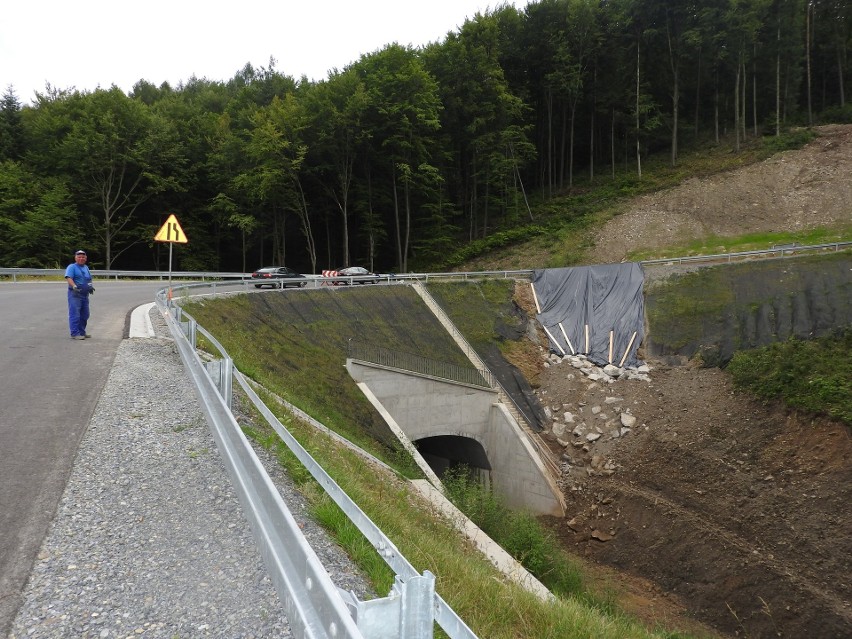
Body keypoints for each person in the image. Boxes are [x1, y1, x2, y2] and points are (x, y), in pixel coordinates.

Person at [64, 249, 95, 340]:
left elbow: (88, 279)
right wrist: (74, 286)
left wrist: (90, 287)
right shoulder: (72, 267)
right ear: (76, 258)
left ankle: (82, 332)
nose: (81, 258)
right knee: (75, 314)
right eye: (79, 257)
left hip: (84, 295)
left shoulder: (86, 267)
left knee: (85, 314)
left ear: (85, 258)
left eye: (83, 257)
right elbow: (69, 277)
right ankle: (75, 333)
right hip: (75, 294)